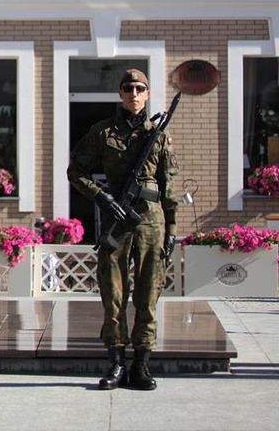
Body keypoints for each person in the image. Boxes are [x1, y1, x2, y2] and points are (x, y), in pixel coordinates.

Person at [67, 69, 178, 391]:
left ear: (147, 94)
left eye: (139, 88)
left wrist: (171, 230)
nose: (133, 93)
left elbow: (168, 187)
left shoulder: (158, 135)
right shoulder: (102, 133)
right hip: (117, 219)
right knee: (113, 294)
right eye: (127, 88)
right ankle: (116, 363)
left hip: (151, 223)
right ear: (120, 93)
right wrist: (101, 197)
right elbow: (76, 172)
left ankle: (141, 365)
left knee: (148, 295)